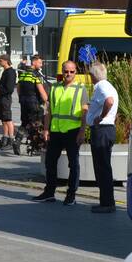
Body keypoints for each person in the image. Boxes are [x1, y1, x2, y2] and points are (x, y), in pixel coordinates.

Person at [34, 60, 89, 206]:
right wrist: (46, 129)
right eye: (66, 71)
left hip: (72, 131)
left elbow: (84, 112)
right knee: (50, 162)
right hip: (56, 131)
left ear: (75, 72)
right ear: (62, 72)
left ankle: (71, 195)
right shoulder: (55, 88)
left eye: (72, 71)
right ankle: (49, 192)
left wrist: (82, 131)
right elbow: (49, 111)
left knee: (73, 164)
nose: (68, 74)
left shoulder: (80, 89)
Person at [86, 61, 119, 213]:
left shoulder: (101, 86)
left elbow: (109, 101)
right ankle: (106, 201)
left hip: (102, 130)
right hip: (106, 130)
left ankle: (107, 203)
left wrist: (100, 117)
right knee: (103, 166)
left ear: (93, 75)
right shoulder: (107, 86)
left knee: (102, 168)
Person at [13, 54, 48, 155]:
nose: (41, 64)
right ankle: (36, 147)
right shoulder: (35, 75)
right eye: (40, 62)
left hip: (23, 102)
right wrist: (47, 102)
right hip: (33, 103)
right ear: (34, 62)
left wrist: (21, 98)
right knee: (37, 124)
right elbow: (42, 92)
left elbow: (18, 89)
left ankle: (17, 141)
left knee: (24, 122)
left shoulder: (23, 74)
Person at [0, 55, 17, 149]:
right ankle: (5, 139)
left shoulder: (10, 72)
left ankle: (11, 141)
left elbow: (10, 89)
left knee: (8, 119)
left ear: (6, 61)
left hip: (5, 99)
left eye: (1, 60)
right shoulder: (5, 71)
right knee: (3, 120)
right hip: (2, 98)